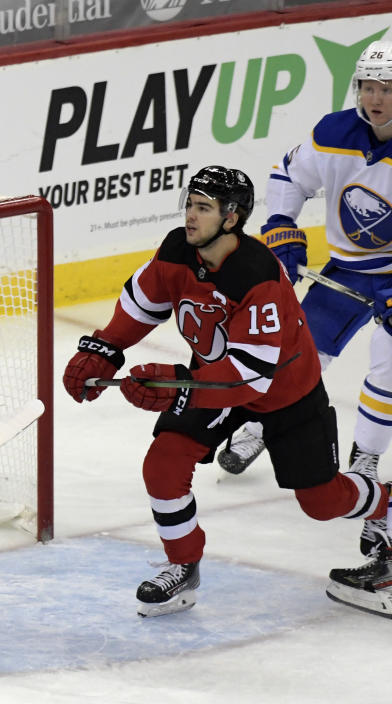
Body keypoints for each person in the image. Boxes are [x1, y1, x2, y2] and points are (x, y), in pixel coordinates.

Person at [62, 165, 391, 618]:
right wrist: (105, 347)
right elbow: (141, 304)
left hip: (284, 393)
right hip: (216, 381)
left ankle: (386, 503)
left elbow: (249, 378)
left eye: (203, 208)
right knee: (163, 463)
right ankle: (182, 567)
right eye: (190, 205)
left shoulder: (256, 276)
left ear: (232, 218)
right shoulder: (178, 251)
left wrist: (178, 387)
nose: (190, 217)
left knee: (323, 502)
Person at [218, 41, 392, 570]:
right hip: (344, 270)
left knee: (388, 373)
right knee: (298, 357)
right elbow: (286, 177)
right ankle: (260, 427)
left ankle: (365, 463)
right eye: (367, 85)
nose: (375, 97)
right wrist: (281, 226)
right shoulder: (334, 133)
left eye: (386, 88)